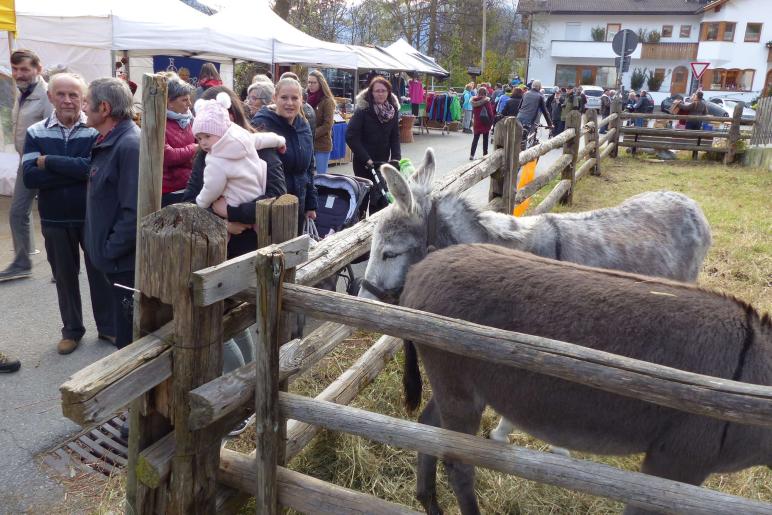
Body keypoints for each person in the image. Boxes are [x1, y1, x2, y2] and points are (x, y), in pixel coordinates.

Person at [21, 73, 115, 354]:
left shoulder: (95, 131)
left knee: (100, 273)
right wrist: (78, 170)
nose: (67, 100)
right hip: (54, 219)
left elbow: (94, 172)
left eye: (74, 95)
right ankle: (72, 330)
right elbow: (29, 177)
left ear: (83, 99)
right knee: (64, 276)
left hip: (92, 217)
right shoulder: (35, 131)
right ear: (50, 97)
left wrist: (48, 162)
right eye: (60, 94)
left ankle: (108, 328)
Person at [83, 78, 140, 350]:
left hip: (123, 264)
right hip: (114, 261)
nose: (83, 107)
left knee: (129, 343)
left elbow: (134, 212)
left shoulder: (128, 145)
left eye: (86, 101)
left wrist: (107, 252)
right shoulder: (108, 140)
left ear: (103, 107)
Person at [0, 49, 53, 282]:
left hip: (46, 163)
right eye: (15, 69)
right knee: (17, 211)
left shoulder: (48, 94)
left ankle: (62, 264)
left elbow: (54, 129)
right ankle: (23, 261)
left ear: (38, 69)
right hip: (26, 162)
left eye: (24, 69)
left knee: (52, 215)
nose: (19, 74)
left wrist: (49, 162)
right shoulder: (22, 91)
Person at [192, 92, 285, 219]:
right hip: (257, 193)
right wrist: (279, 140)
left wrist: (202, 202)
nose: (203, 142)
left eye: (207, 136)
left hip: (234, 203)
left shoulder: (215, 160)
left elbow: (212, 188)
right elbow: (262, 139)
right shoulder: (243, 138)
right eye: (199, 138)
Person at [252, 77, 317, 230]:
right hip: (272, 206)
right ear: (274, 98)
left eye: (295, 98)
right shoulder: (262, 125)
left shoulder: (304, 126)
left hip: (299, 204)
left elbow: (309, 168)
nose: (289, 103)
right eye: (284, 97)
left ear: (301, 100)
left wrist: (311, 204)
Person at [345, 76, 401, 214]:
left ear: (388, 92)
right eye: (377, 91)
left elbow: (395, 137)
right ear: (371, 92)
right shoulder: (363, 111)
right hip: (364, 161)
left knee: (381, 196)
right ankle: (360, 222)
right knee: (364, 197)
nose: (380, 94)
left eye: (383, 91)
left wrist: (396, 158)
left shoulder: (392, 111)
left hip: (382, 160)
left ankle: (376, 225)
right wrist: (365, 157)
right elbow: (351, 136)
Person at [161, 73, 197, 207]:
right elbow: (167, 156)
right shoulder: (160, 123)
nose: (189, 104)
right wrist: (194, 149)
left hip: (189, 184)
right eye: (184, 100)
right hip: (169, 190)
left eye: (189, 99)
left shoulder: (187, 119)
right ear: (169, 102)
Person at [306, 70, 336, 175]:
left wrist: (311, 134)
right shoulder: (305, 99)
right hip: (307, 143)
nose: (311, 85)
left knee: (321, 176)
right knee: (307, 175)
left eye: (314, 82)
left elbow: (328, 124)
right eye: (309, 82)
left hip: (322, 144)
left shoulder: (327, 101)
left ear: (320, 83)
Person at [469, 86, 494, 160]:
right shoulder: (486, 101)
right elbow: (490, 113)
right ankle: (485, 155)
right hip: (485, 123)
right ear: (485, 93)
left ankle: (471, 155)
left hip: (477, 122)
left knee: (475, 139)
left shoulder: (474, 101)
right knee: (485, 139)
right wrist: (491, 122)